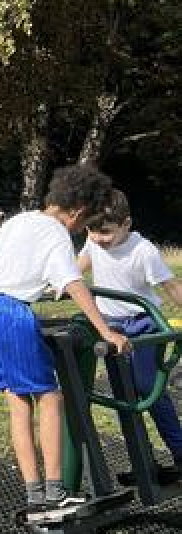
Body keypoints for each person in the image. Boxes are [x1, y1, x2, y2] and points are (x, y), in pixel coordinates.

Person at [0, 165, 131, 523]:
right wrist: (107, 331)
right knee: (51, 397)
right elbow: (73, 283)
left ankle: (35, 495)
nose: (81, 231)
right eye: (84, 223)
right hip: (12, 314)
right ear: (77, 212)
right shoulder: (56, 233)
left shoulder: (20, 220)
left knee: (18, 403)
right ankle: (56, 494)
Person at [78, 189, 182, 483]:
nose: (98, 239)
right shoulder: (94, 240)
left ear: (126, 224)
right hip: (110, 327)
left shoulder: (143, 250)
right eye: (91, 231)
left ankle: (180, 453)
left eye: (106, 233)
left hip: (142, 324)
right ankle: (143, 461)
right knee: (124, 394)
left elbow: (170, 286)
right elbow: (79, 266)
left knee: (148, 388)